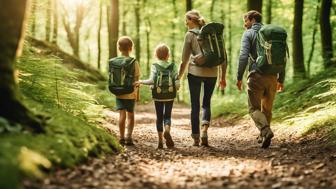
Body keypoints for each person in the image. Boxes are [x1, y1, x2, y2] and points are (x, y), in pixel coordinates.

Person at [178, 10, 227, 147]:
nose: (185, 22)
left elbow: (184, 60)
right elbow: (223, 56)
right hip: (212, 74)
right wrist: (223, 76)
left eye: (186, 20)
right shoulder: (213, 35)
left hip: (195, 73)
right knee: (206, 103)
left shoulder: (189, 35)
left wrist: (179, 78)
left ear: (191, 20)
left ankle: (196, 137)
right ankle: (205, 130)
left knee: (195, 105)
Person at [236, 10, 285, 148]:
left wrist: (239, 77)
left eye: (245, 20)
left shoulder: (248, 33)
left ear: (252, 19)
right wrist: (281, 79)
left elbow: (243, 56)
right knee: (267, 110)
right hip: (272, 77)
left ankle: (265, 130)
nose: (244, 24)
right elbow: (281, 58)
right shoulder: (272, 35)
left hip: (256, 76)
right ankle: (263, 136)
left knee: (253, 109)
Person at [135, 43, 179, 149]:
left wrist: (140, 81)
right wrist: (176, 88)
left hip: (158, 95)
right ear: (168, 55)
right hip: (170, 94)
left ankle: (160, 141)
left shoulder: (154, 66)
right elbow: (177, 81)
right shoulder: (173, 66)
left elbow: (151, 81)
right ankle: (167, 130)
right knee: (167, 115)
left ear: (156, 55)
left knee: (159, 117)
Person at [111, 36, 140, 146]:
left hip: (118, 92)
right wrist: (136, 94)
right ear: (131, 48)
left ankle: (121, 137)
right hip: (130, 93)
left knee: (121, 115)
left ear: (119, 48)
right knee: (131, 115)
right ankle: (129, 137)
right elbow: (137, 80)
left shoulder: (115, 61)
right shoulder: (133, 62)